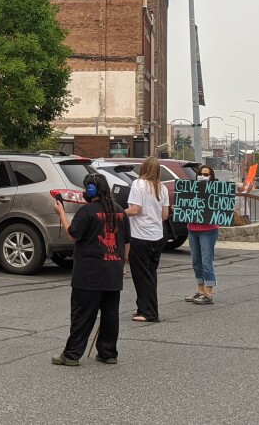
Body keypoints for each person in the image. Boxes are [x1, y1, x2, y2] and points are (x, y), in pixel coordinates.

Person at [52, 173, 130, 366]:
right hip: (113, 269)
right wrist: (122, 263)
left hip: (89, 273)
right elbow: (126, 241)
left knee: (82, 314)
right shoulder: (120, 211)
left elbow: (73, 235)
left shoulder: (86, 212)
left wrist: (61, 213)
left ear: (90, 190)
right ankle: (108, 352)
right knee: (110, 314)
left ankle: (72, 354)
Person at [126, 156, 169, 323]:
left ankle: (149, 312)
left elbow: (135, 209)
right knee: (150, 274)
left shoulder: (138, 184)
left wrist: (119, 214)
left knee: (141, 275)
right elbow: (165, 215)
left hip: (140, 235)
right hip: (157, 235)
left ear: (143, 168)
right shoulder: (162, 188)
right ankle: (143, 306)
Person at [185, 166, 219, 305]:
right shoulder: (190, 189)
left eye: (206, 174)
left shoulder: (216, 191)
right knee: (196, 262)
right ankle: (200, 291)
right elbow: (185, 204)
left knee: (206, 261)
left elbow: (221, 207)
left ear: (211, 177)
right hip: (193, 228)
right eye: (200, 174)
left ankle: (209, 293)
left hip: (208, 230)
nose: (202, 176)